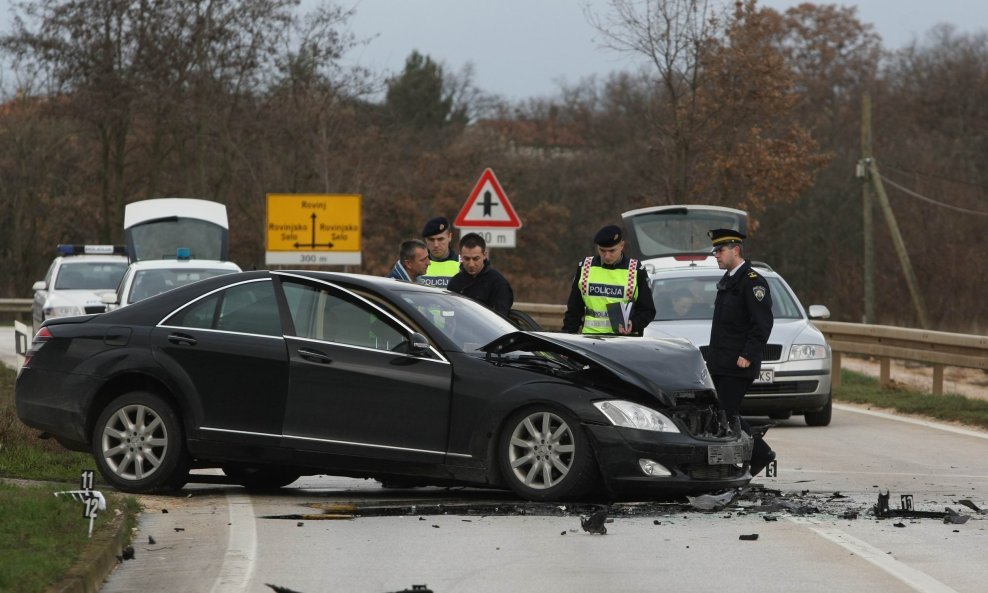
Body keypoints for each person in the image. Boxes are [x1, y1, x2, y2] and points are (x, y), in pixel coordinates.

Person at [705, 228, 776, 476]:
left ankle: (759, 455)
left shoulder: (753, 281)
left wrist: (748, 353)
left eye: (720, 250)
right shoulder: (728, 281)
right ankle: (737, 462)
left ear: (736, 250)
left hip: (738, 364)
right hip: (720, 362)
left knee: (727, 413)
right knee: (722, 414)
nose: (717, 255)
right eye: (715, 251)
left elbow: (762, 324)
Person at [562, 224, 655, 335]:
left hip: (624, 341)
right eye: (602, 251)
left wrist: (633, 324)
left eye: (611, 251)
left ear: (622, 246)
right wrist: (568, 335)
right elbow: (574, 309)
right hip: (590, 338)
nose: (606, 256)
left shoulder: (635, 270)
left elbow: (647, 310)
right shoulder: (585, 267)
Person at [447, 232, 514, 316]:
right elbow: (449, 315)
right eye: (467, 259)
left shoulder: (498, 283)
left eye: (476, 259)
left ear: (484, 255)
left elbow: (501, 319)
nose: (471, 264)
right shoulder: (455, 283)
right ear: (460, 256)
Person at [418, 216, 460, 288]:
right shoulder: (416, 264)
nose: (436, 245)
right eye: (431, 240)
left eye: (440, 239)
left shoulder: (462, 265)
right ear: (426, 240)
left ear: (449, 237)